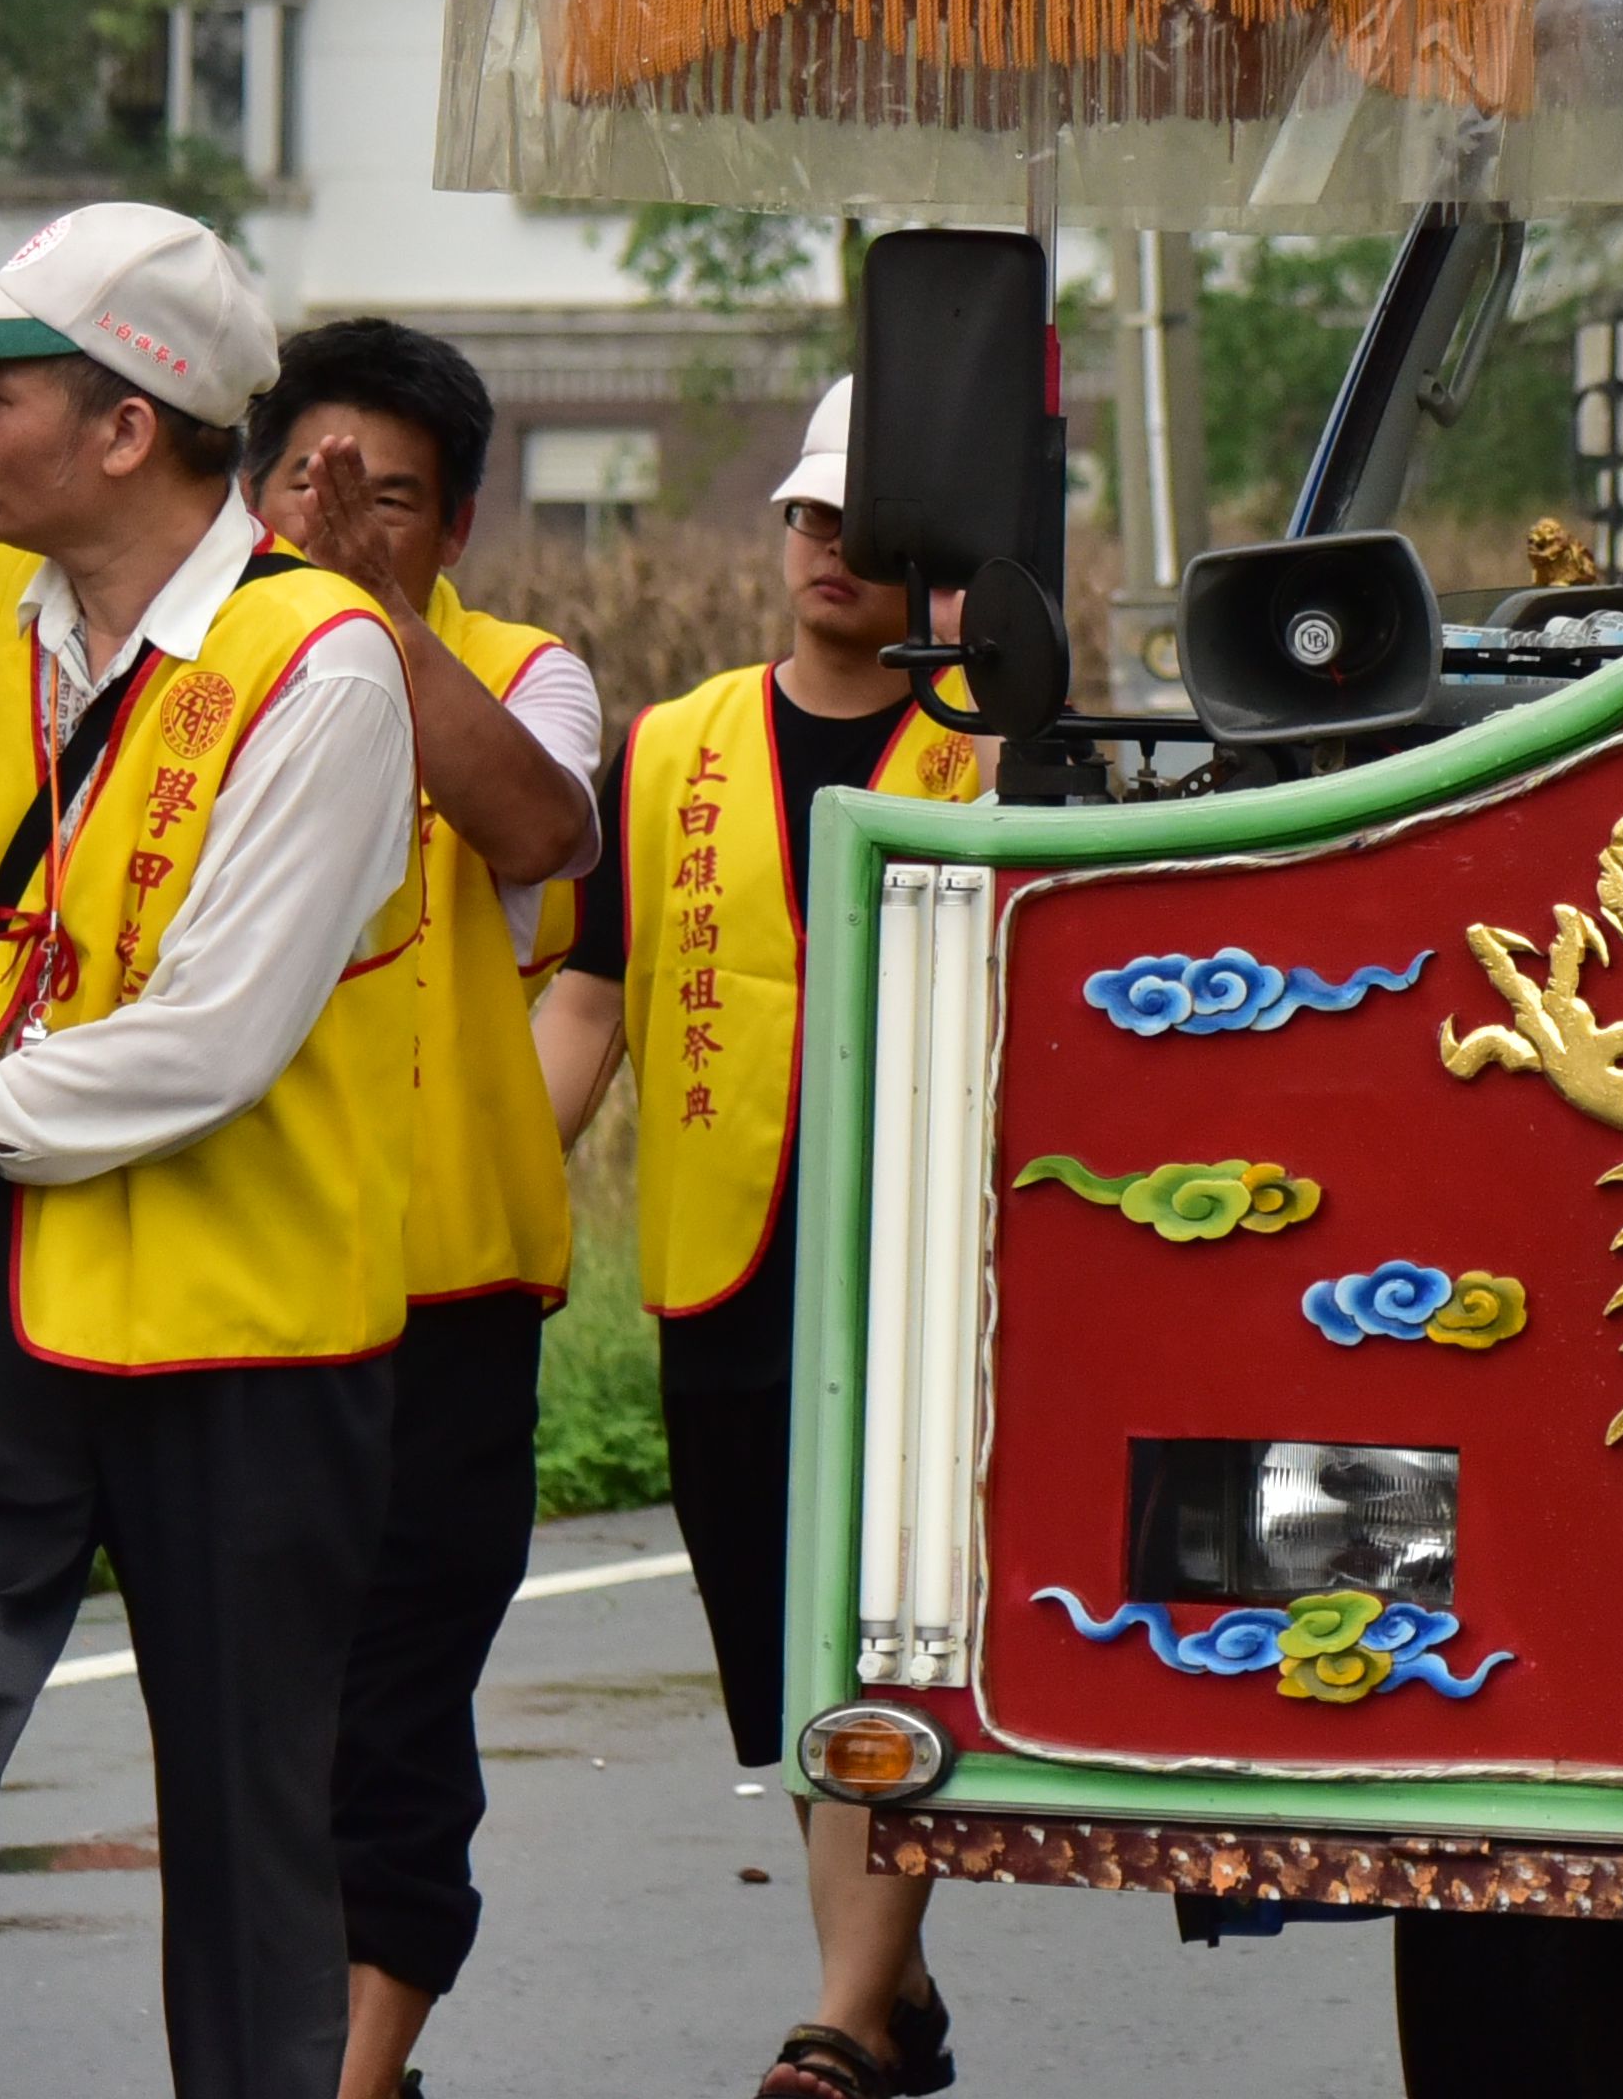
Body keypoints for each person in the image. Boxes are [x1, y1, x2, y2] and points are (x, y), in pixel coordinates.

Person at [0, 205, 426, 2099]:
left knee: (247, 1832)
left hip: (242, 1331)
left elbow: (208, 1041)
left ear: (130, 426)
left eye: (1, 389)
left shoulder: (324, 670)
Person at [534, 380, 981, 2099]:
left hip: (935, 1287)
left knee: (891, 1645)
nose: (833, 553)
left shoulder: (1006, 749)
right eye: (809, 520)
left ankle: (843, 2025)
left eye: (872, 532)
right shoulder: (666, 748)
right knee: (797, 1664)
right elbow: (591, 997)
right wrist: (505, 1191)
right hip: (726, 1273)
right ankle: (892, 1991)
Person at [241, 321, 608, 2099]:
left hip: (448, 1287)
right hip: (234, 1281)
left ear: (454, 525)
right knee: (257, 1717)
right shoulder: (188, 676)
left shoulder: (527, 673)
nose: (347, 516)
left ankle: (360, 2073)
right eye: (312, 479)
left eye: (392, 497)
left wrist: (358, 613)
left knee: (398, 1707)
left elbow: (538, 833)